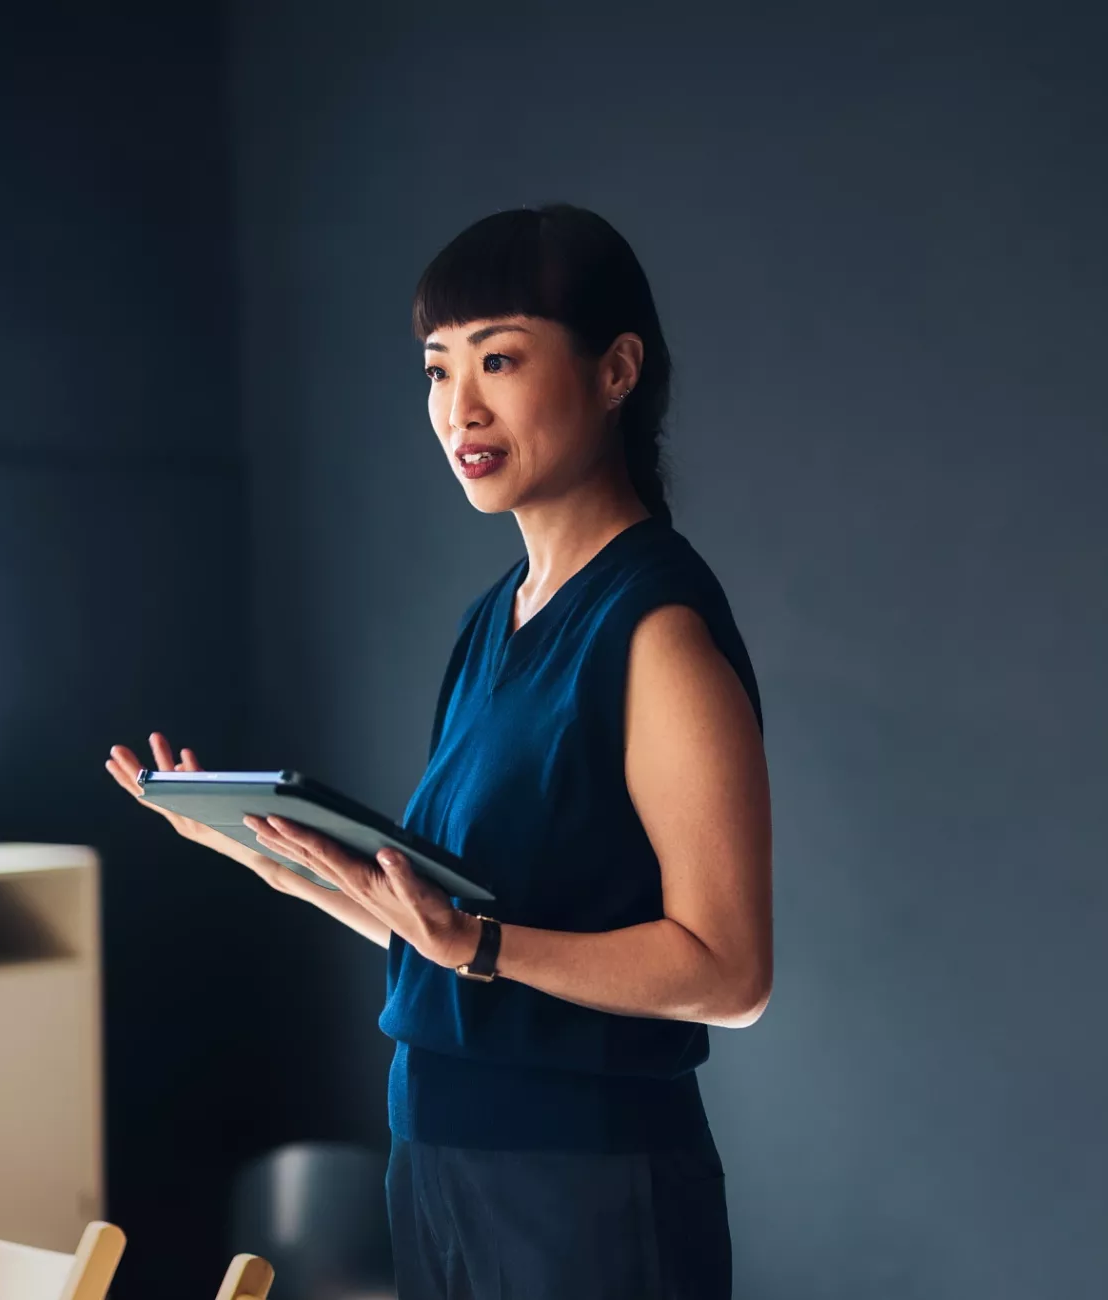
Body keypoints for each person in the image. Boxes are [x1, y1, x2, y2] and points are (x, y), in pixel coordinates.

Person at [105, 203, 773, 1299]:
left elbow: (730, 970)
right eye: (435, 369)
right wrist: (254, 848)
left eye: (498, 359)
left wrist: (480, 946)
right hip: (436, 1151)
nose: (458, 407)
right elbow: (437, 928)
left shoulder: (655, 628)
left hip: (586, 1177)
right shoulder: (492, 619)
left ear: (615, 370)